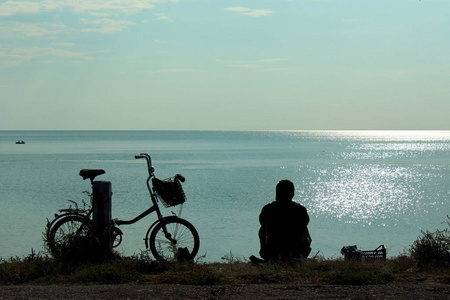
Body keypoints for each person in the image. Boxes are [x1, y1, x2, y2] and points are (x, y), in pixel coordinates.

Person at [258, 179, 311, 261]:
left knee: (263, 229)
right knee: (303, 228)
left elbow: (262, 224)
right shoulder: (300, 210)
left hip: (272, 253)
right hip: (297, 252)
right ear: (292, 194)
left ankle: (267, 251)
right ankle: (301, 252)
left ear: (277, 193)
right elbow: (305, 223)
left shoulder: (267, 209)